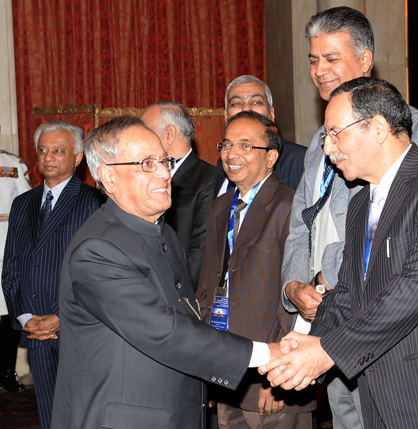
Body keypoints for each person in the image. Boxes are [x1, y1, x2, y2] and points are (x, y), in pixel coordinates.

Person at [261, 77, 418, 428]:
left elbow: (414, 287)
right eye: (325, 137)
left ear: (378, 128)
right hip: (383, 397)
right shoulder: (361, 199)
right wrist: (308, 340)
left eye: (336, 133)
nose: (328, 148)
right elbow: (348, 291)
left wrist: (325, 351)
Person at [51, 117, 280, 429]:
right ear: (108, 176)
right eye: (146, 163)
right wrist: (267, 354)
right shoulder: (97, 250)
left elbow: (186, 317)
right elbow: (166, 332)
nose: (164, 173)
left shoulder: (163, 233)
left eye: (164, 160)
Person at [279, 6, 418, 427]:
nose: (319, 70)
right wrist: (293, 284)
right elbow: (300, 224)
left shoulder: (400, 125)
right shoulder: (317, 142)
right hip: (324, 309)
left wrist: (325, 279)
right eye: (313, 60)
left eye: (331, 58)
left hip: (369, 312)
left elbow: (386, 226)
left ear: (364, 60)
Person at [198, 111, 312, 428]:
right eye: (227, 144)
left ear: (271, 156)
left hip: (270, 375)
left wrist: (279, 376)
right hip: (227, 370)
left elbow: (298, 302)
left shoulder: (289, 206)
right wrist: (205, 365)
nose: (232, 154)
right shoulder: (220, 207)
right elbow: (209, 287)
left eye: (246, 145)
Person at [2, 121, 104, 429]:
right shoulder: (22, 204)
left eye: (58, 151)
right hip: (36, 331)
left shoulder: (94, 202)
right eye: (43, 151)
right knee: (49, 414)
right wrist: (24, 318)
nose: (49, 158)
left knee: (84, 414)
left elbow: (98, 273)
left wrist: (60, 315)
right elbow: (11, 269)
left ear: (77, 157)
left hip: (78, 328)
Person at [141, 101, 216, 285]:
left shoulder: (208, 179)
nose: (139, 137)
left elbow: (201, 251)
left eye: (145, 131)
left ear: (169, 134)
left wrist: (173, 296)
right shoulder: (142, 176)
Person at [214, 75, 306, 197]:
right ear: (226, 116)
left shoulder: (299, 161)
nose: (246, 109)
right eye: (236, 103)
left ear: (272, 114)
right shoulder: (225, 162)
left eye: (257, 102)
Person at [0, 150, 31, 393]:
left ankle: (7, 373)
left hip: (5, 251)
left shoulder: (11, 165)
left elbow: (27, 204)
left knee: (8, 318)